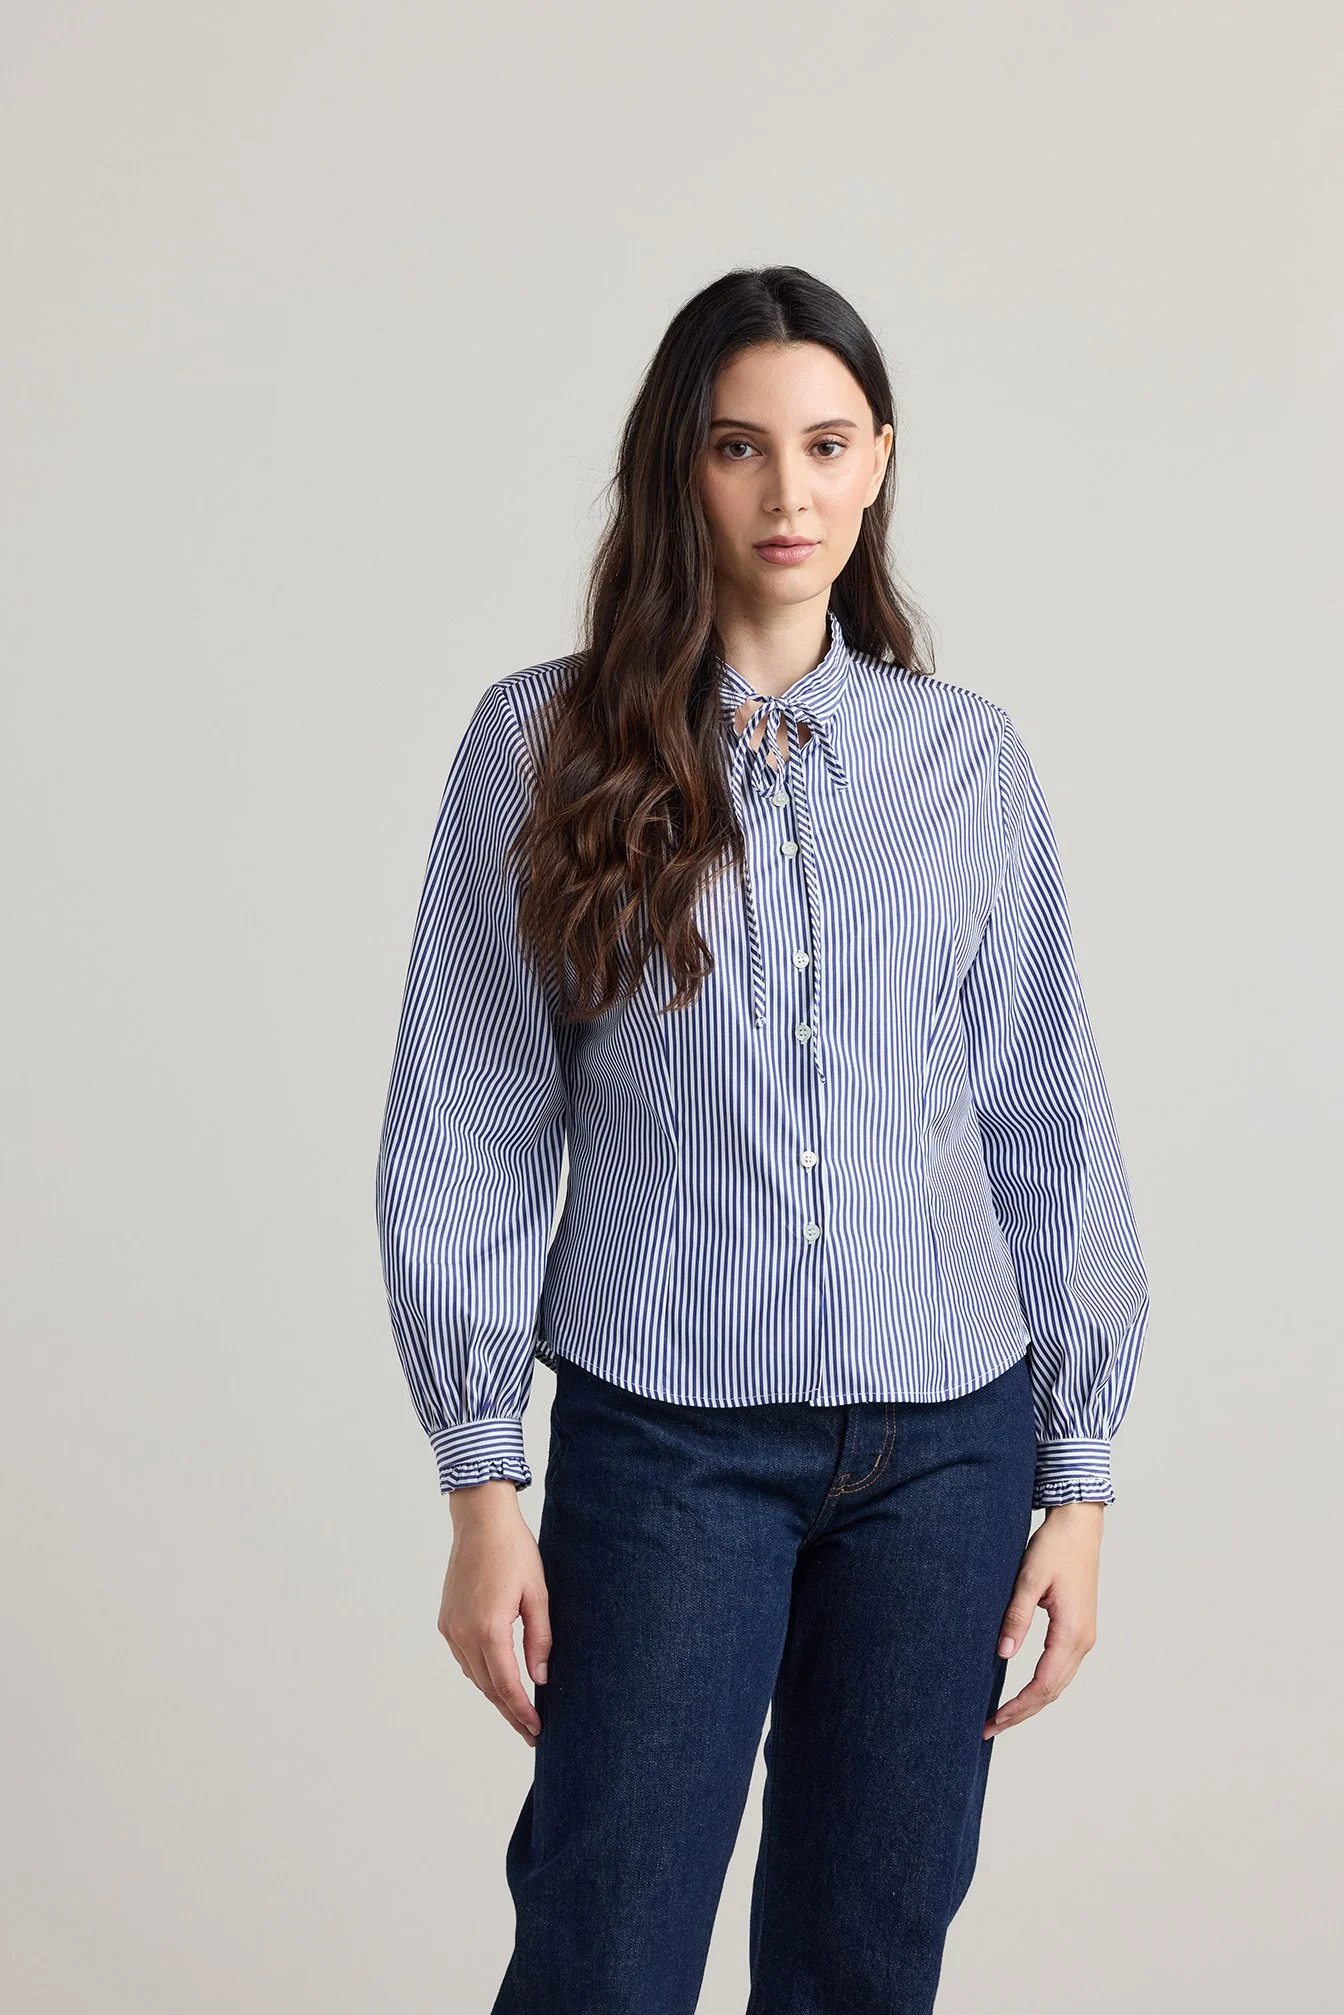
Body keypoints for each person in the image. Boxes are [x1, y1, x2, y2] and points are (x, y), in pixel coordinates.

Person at [374, 265, 1150, 2015]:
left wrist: (1080, 1481)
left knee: (866, 1965)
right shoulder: (541, 743)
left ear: (881, 460)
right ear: (681, 466)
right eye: (739, 447)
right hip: (669, 1449)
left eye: (825, 443)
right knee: (603, 1954)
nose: (787, 492)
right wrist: (482, 1485)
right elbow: (470, 1117)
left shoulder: (966, 763)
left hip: (949, 1452)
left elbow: (1044, 1116)